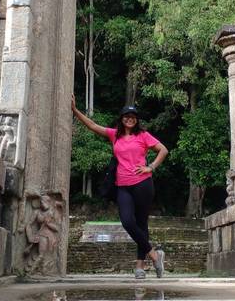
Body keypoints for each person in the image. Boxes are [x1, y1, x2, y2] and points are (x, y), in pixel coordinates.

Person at [71, 95, 169, 279]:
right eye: (126, 116)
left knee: (141, 223)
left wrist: (151, 167)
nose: (130, 119)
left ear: (136, 119)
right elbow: (92, 126)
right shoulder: (113, 135)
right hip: (123, 186)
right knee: (127, 222)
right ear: (122, 118)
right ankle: (155, 255)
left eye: (133, 116)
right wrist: (75, 111)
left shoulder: (143, 135)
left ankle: (140, 267)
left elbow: (163, 149)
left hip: (143, 183)